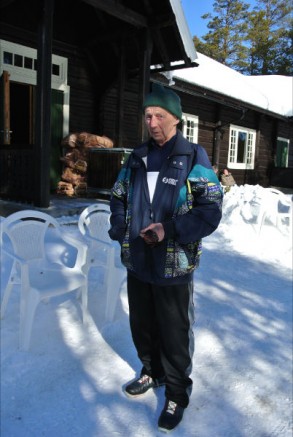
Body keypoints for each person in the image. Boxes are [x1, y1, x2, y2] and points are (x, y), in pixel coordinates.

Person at [108, 83, 223, 433]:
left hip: (175, 264)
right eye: (147, 116)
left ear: (175, 119)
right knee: (142, 325)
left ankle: (176, 392)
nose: (152, 122)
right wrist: (119, 225)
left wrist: (169, 229)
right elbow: (118, 196)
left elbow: (210, 209)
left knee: (175, 332)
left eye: (159, 116)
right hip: (139, 259)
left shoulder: (193, 157)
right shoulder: (137, 157)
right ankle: (150, 372)